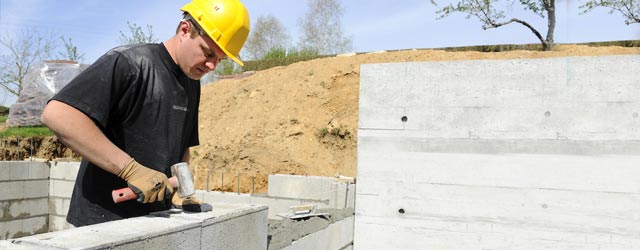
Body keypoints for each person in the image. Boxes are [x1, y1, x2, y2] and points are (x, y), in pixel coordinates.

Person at [40, 0, 250, 227]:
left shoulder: (191, 82)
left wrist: (181, 190)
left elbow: (183, 146)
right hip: (103, 220)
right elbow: (58, 114)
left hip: (154, 220)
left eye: (220, 59)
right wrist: (131, 170)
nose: (212, 66)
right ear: (185, 30)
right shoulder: (130, 63)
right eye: (208, 53)